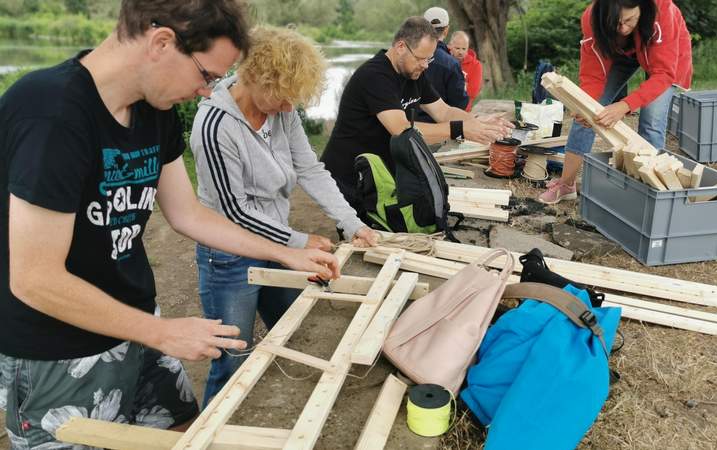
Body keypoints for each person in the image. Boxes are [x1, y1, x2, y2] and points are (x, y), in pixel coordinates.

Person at [0, 1, 339, 447]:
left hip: (136, 322)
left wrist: (283, 252)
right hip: (58, 349)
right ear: (162, 42)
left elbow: (187, 214)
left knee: (185, 435)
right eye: (208, 76)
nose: (207, 92)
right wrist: (163, 333)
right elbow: (34, 279)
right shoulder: (51, 113)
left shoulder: (152, 109)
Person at [189, 26, 379, 407]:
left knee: (292, 327)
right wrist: (297, 241)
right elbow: (234, 211)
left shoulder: (281, 108)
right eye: (283, 97)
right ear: (255, 75)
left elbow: (309, 168)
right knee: (231, 357)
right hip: (228, 256)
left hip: (276, 244)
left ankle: (286, 404)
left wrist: (351, 221)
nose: (290, 108)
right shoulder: (214, 127)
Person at [320, 16, 513, 212]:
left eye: (429, 58)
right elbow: (402, 130)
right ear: (401, 46)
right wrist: (460, 129)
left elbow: (443, 111)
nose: (425, 65)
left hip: (378, 170)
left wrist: (477, 122)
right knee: (358, 234)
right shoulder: (375, 76)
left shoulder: (413, 73)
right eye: (421, 58)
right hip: (349, 174)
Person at [538, 0, 692, 204]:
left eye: (629, 20)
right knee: (587, 110)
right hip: (620, 53)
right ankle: (566, 185)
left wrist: (624, 105)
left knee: (652, 122)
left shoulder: (662, 12)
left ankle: (652, 197)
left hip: (665, 57)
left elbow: (663, 74)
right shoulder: (593, 18)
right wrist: (586, 106)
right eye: (616, 23)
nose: (623, 28)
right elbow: (592, 76)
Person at [416, 6, 469, 122]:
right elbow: (459, 104)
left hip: (407, 126)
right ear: (446, 30)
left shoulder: (408, 56)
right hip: (440, 128)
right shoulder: (451, 63)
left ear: (422, 29)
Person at [448, 30, 483, 112]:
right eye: (457, 48)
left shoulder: (476, 65)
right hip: (443, 109)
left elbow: (473, 92)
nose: (461, 52)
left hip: (464, 110)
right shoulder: (444, 60)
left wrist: (451, 85)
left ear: (468, 48)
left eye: (464, 49)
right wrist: (464, 85)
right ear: (450, 46)